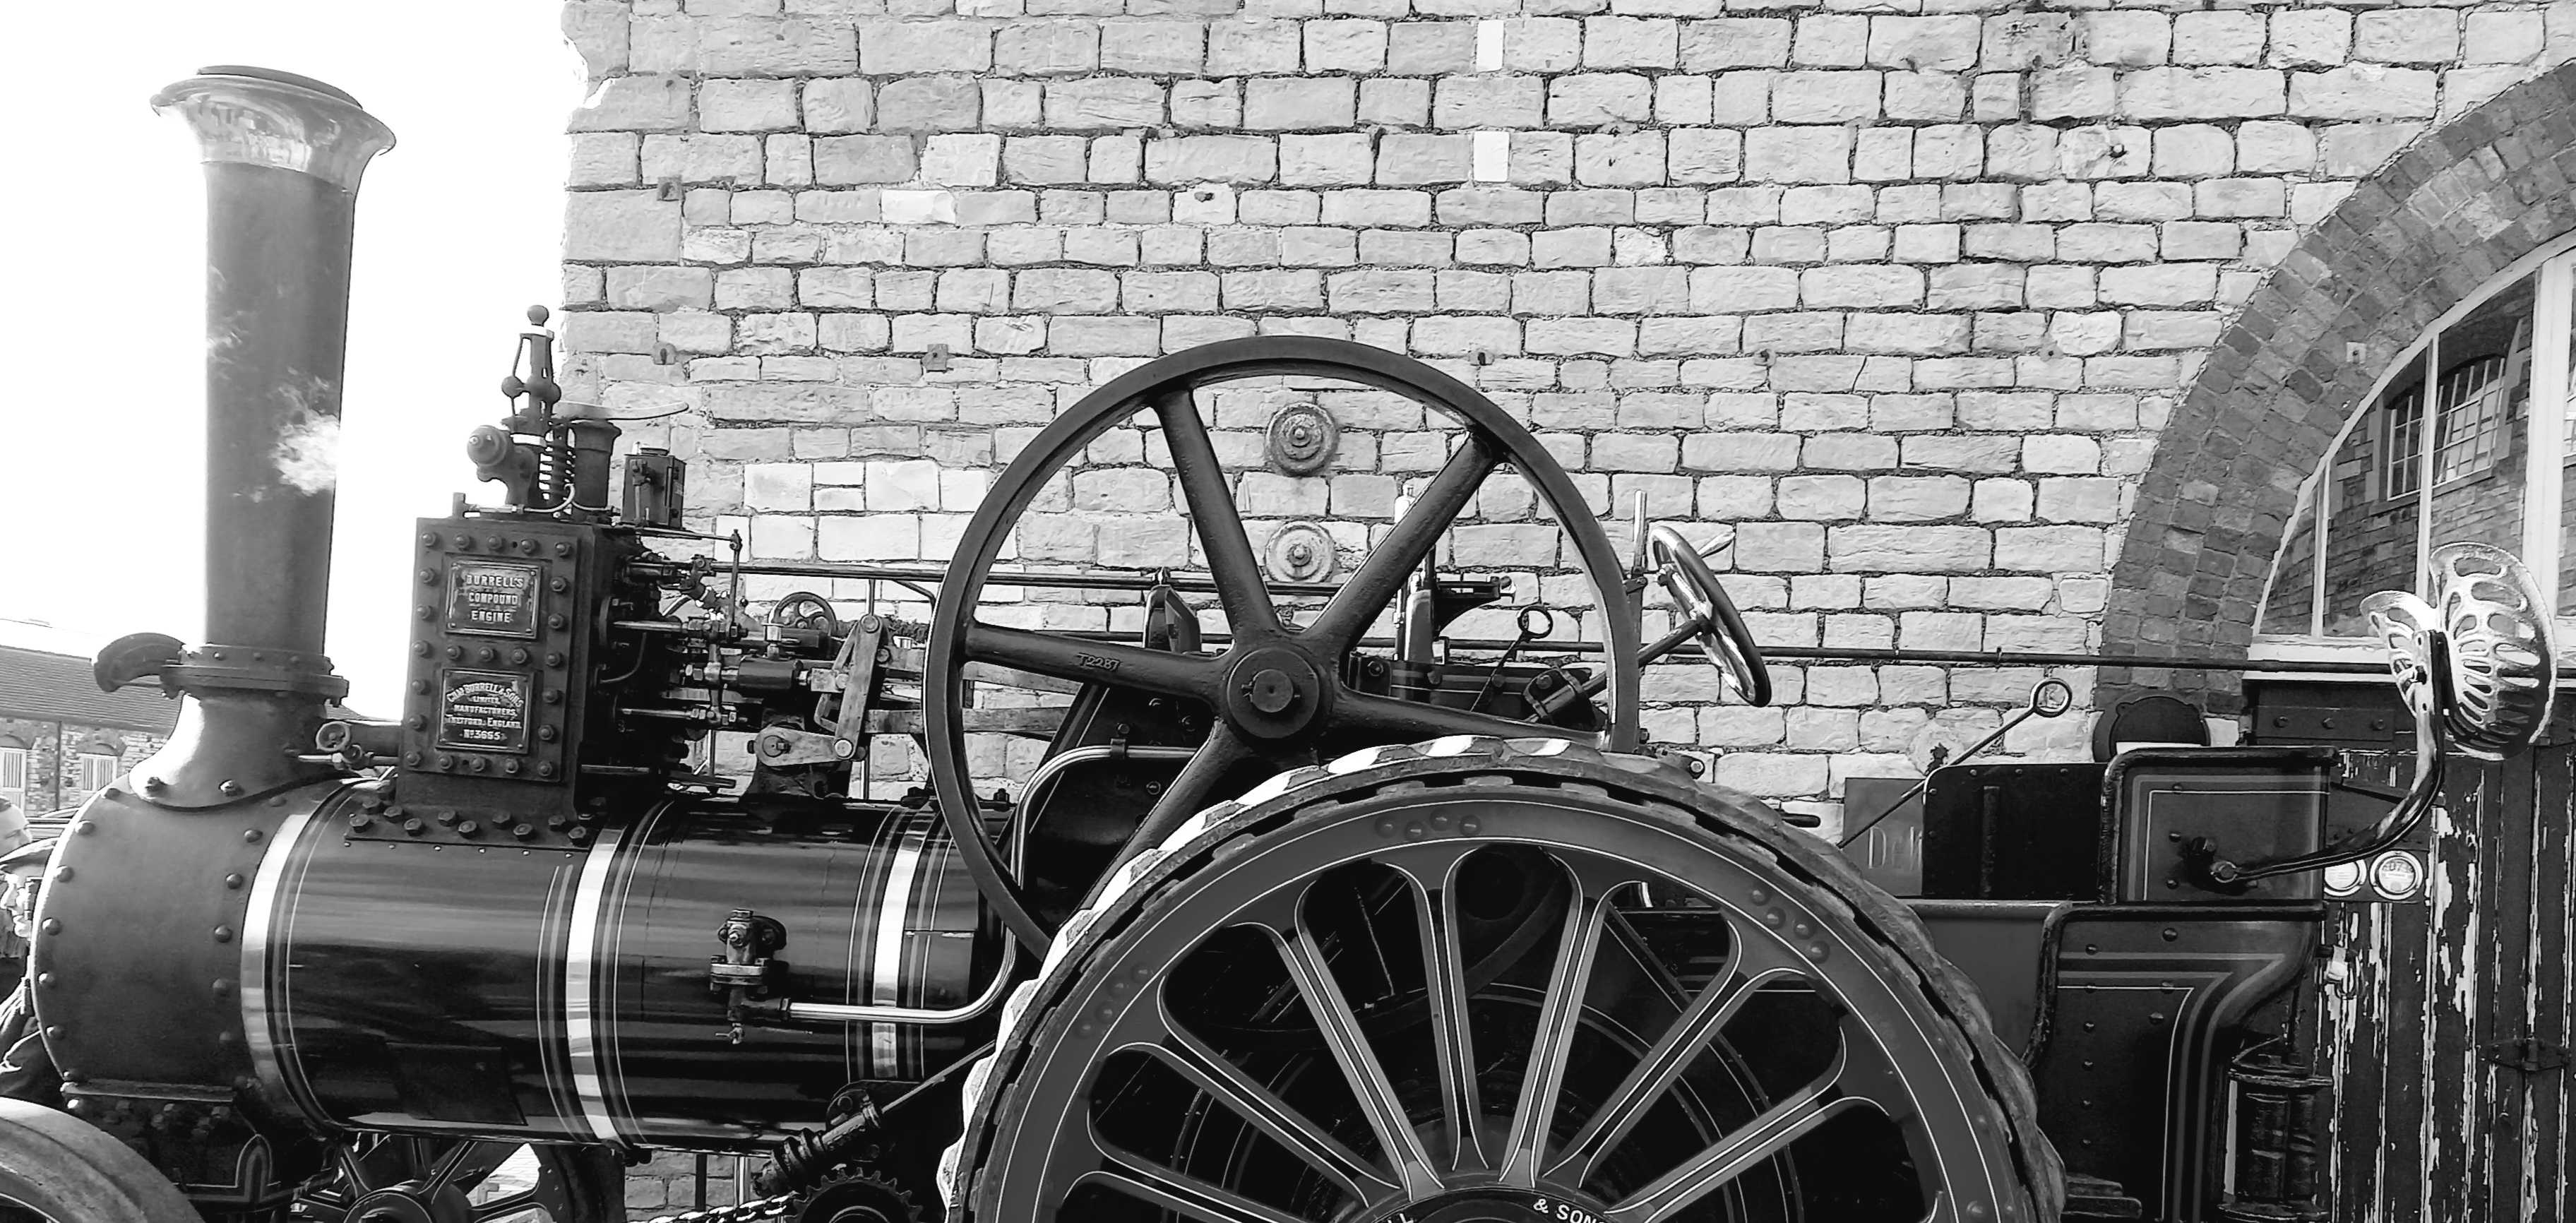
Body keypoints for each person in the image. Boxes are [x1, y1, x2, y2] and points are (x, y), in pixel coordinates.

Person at [0, 833, 56, 1104]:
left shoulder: (61, 975)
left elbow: (19, 1079)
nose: (6, 902)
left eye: (22, 888)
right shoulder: (41, 964)